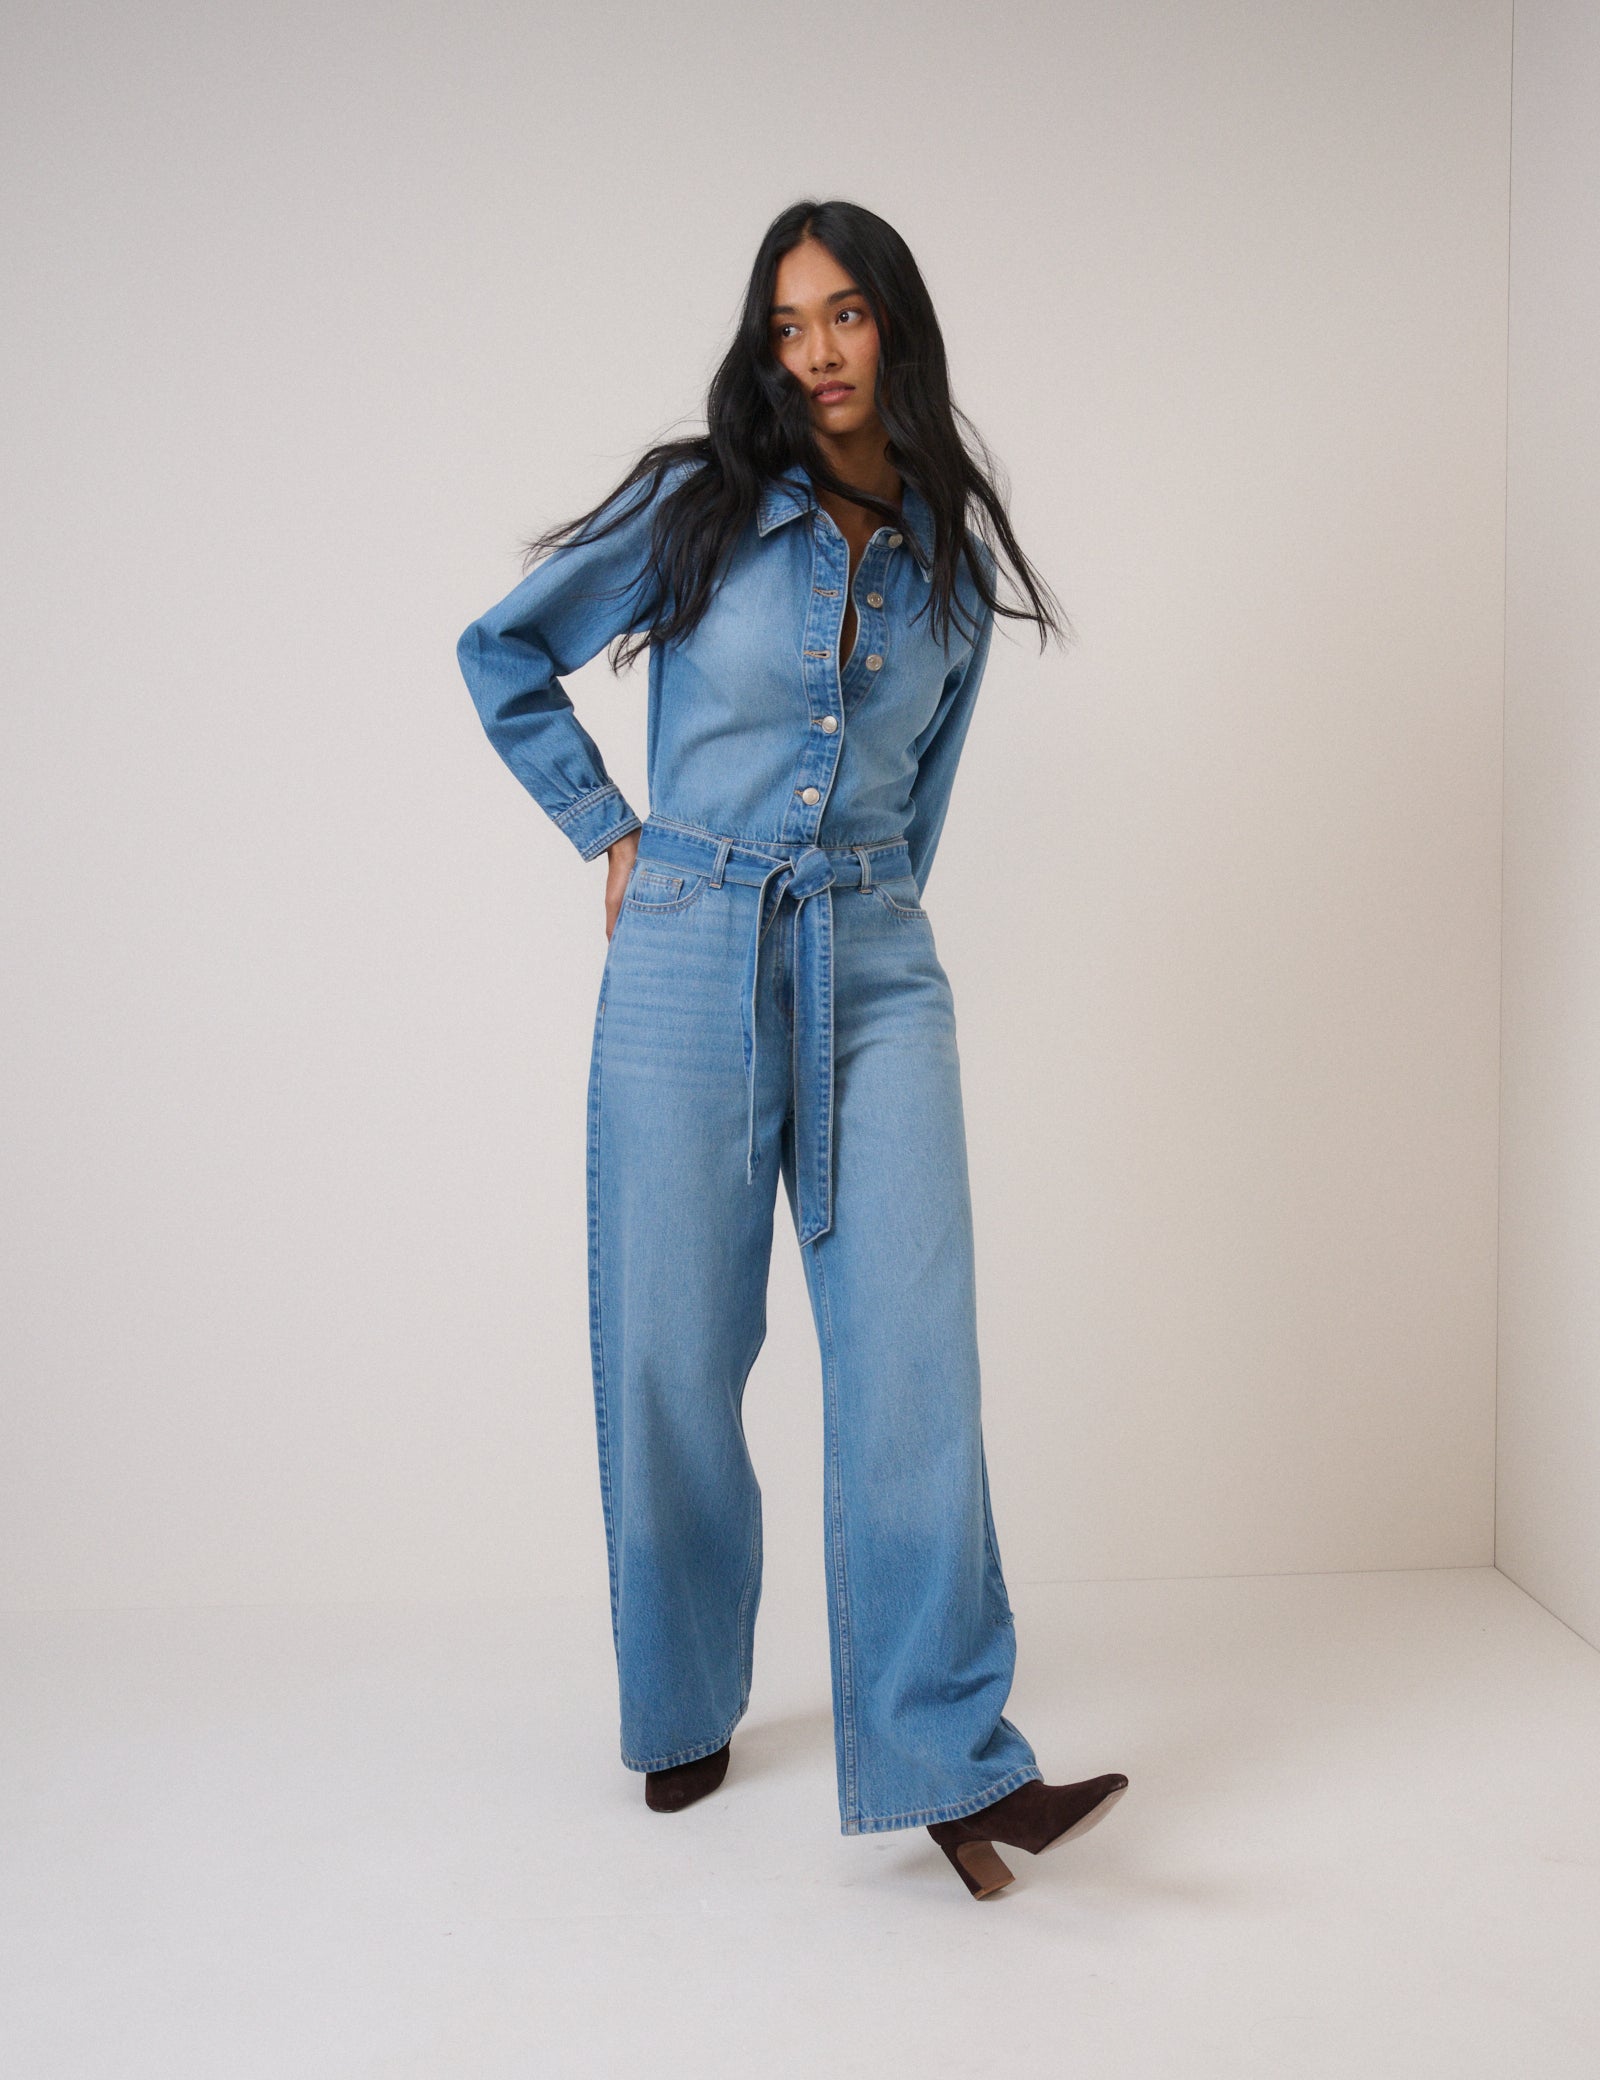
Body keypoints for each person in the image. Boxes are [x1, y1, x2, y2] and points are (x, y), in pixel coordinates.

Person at [455, 198, 1128, 1899]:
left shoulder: (951, 571)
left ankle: (955, 1762)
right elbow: (504, 650)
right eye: (787, 326)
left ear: (895, 324)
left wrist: (861, 926)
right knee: (676, 1352)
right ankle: (681, 1699)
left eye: (844, 316)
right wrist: (609, 828)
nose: (817, 353)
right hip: (687, 948)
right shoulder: (701, 506)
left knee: (916, 1361)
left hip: (876, 960)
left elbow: (924, 801)